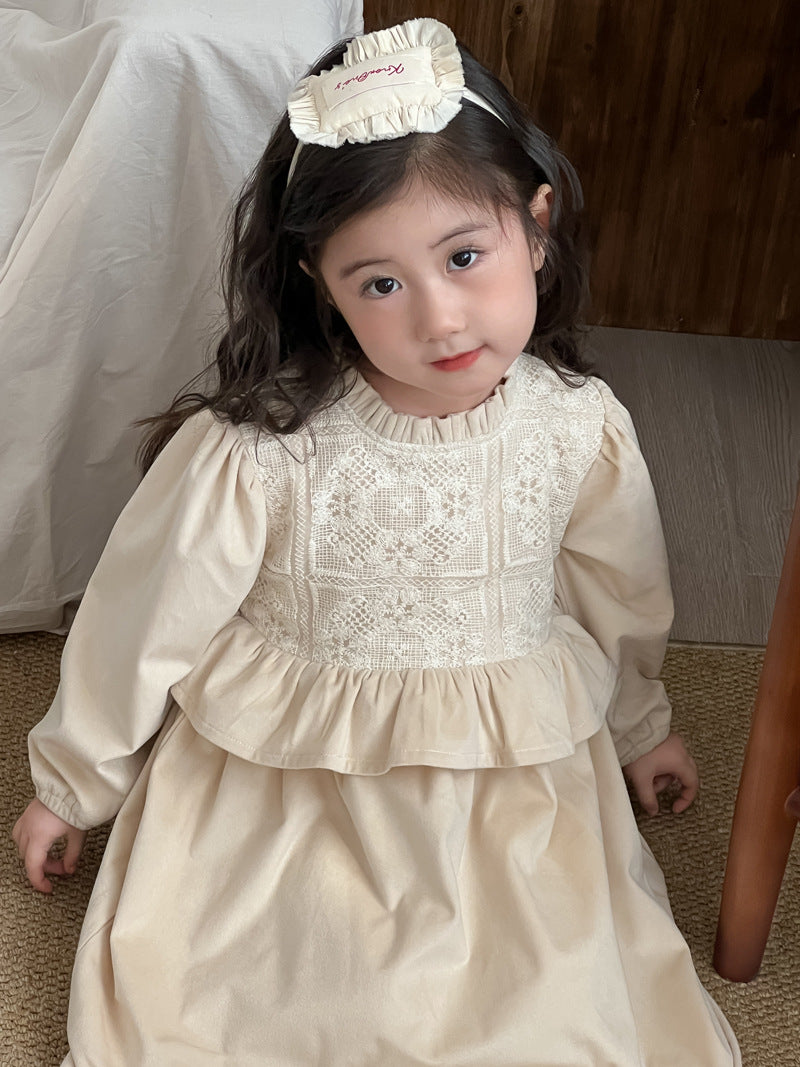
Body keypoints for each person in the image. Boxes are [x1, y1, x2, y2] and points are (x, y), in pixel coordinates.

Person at [12, 18, 740, 1066]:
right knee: (264, 997)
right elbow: (143, 622)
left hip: (508, 784)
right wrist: (72, 783)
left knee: (541, 1003)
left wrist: (640, 725)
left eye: (464, 256)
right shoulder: (262, 450)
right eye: (381, 283)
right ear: (321, 282)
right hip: (291, 782)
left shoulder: (576, 426)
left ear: (535, 227)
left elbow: (618, 589)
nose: (440, 318)